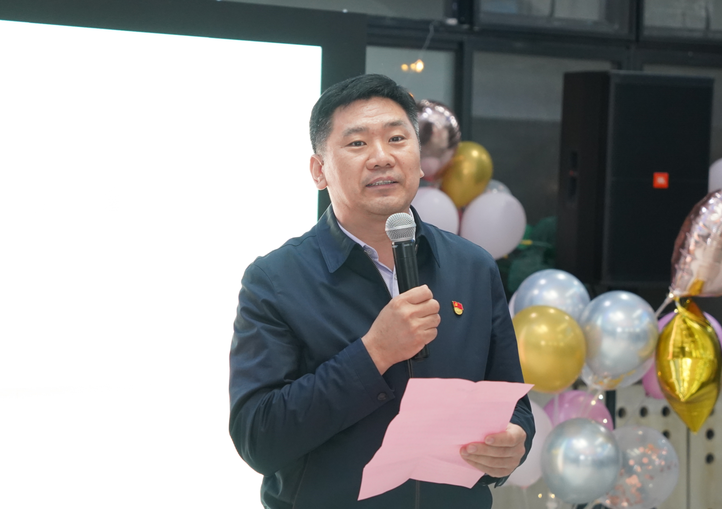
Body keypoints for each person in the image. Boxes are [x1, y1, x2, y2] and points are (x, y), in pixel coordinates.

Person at [229, 74, 534, 508]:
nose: (382, 157)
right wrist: (374, 352)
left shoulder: (473, 266)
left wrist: (514, 442)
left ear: (420, 158)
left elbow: (512, 401)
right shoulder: (275, 280)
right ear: (319, 171)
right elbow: (258, 439)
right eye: (357, 143)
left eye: (397, 139)